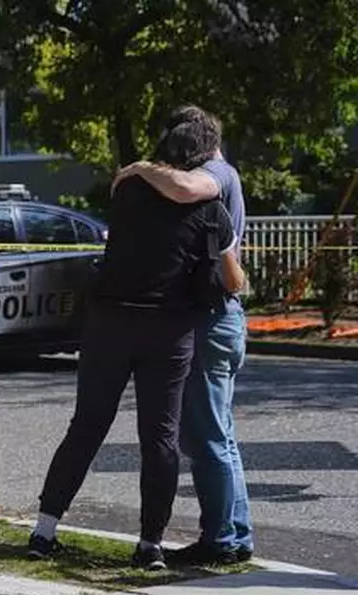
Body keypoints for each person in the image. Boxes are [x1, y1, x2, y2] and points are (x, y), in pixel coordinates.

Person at [26, 117, 247, 570]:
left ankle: (44, 530)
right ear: (202, 159)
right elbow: (233, 280)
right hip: (168, 331)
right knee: (160, 439)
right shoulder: (211, 210)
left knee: (85, 427)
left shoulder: (127, 192)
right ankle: (150, 545)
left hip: (109, 322)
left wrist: (141, 169)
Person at [112, 105, 253, 565]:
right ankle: (235, 533)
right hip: (218, 318)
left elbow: (187, 187)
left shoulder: (215, 174)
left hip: (212, 320)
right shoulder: (218, 174)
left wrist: (137, 168)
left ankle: (222, 540)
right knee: (219, 434)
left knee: (207, 434)